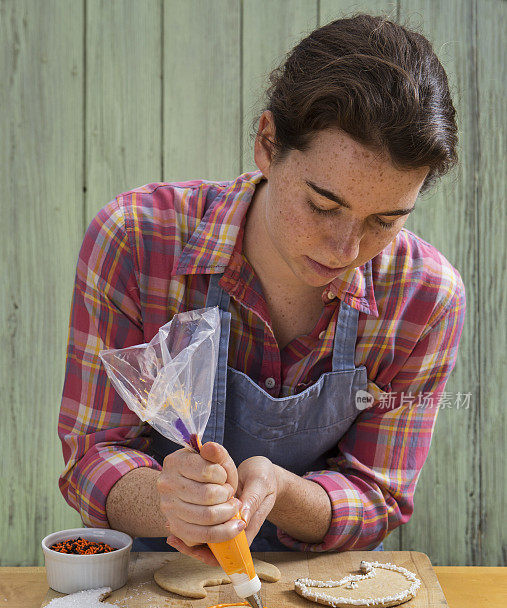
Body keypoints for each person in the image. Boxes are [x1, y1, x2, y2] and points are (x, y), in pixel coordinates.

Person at [58, 14, 465, 565]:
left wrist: (279, 491)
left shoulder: (424, 298)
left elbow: (378, 497)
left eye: (385, 221)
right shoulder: (135, 239)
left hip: (319, 588)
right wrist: (169, 502)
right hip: (152, 585)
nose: (346, 250)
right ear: (268, 144)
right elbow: (91, 457)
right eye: (323, 205)